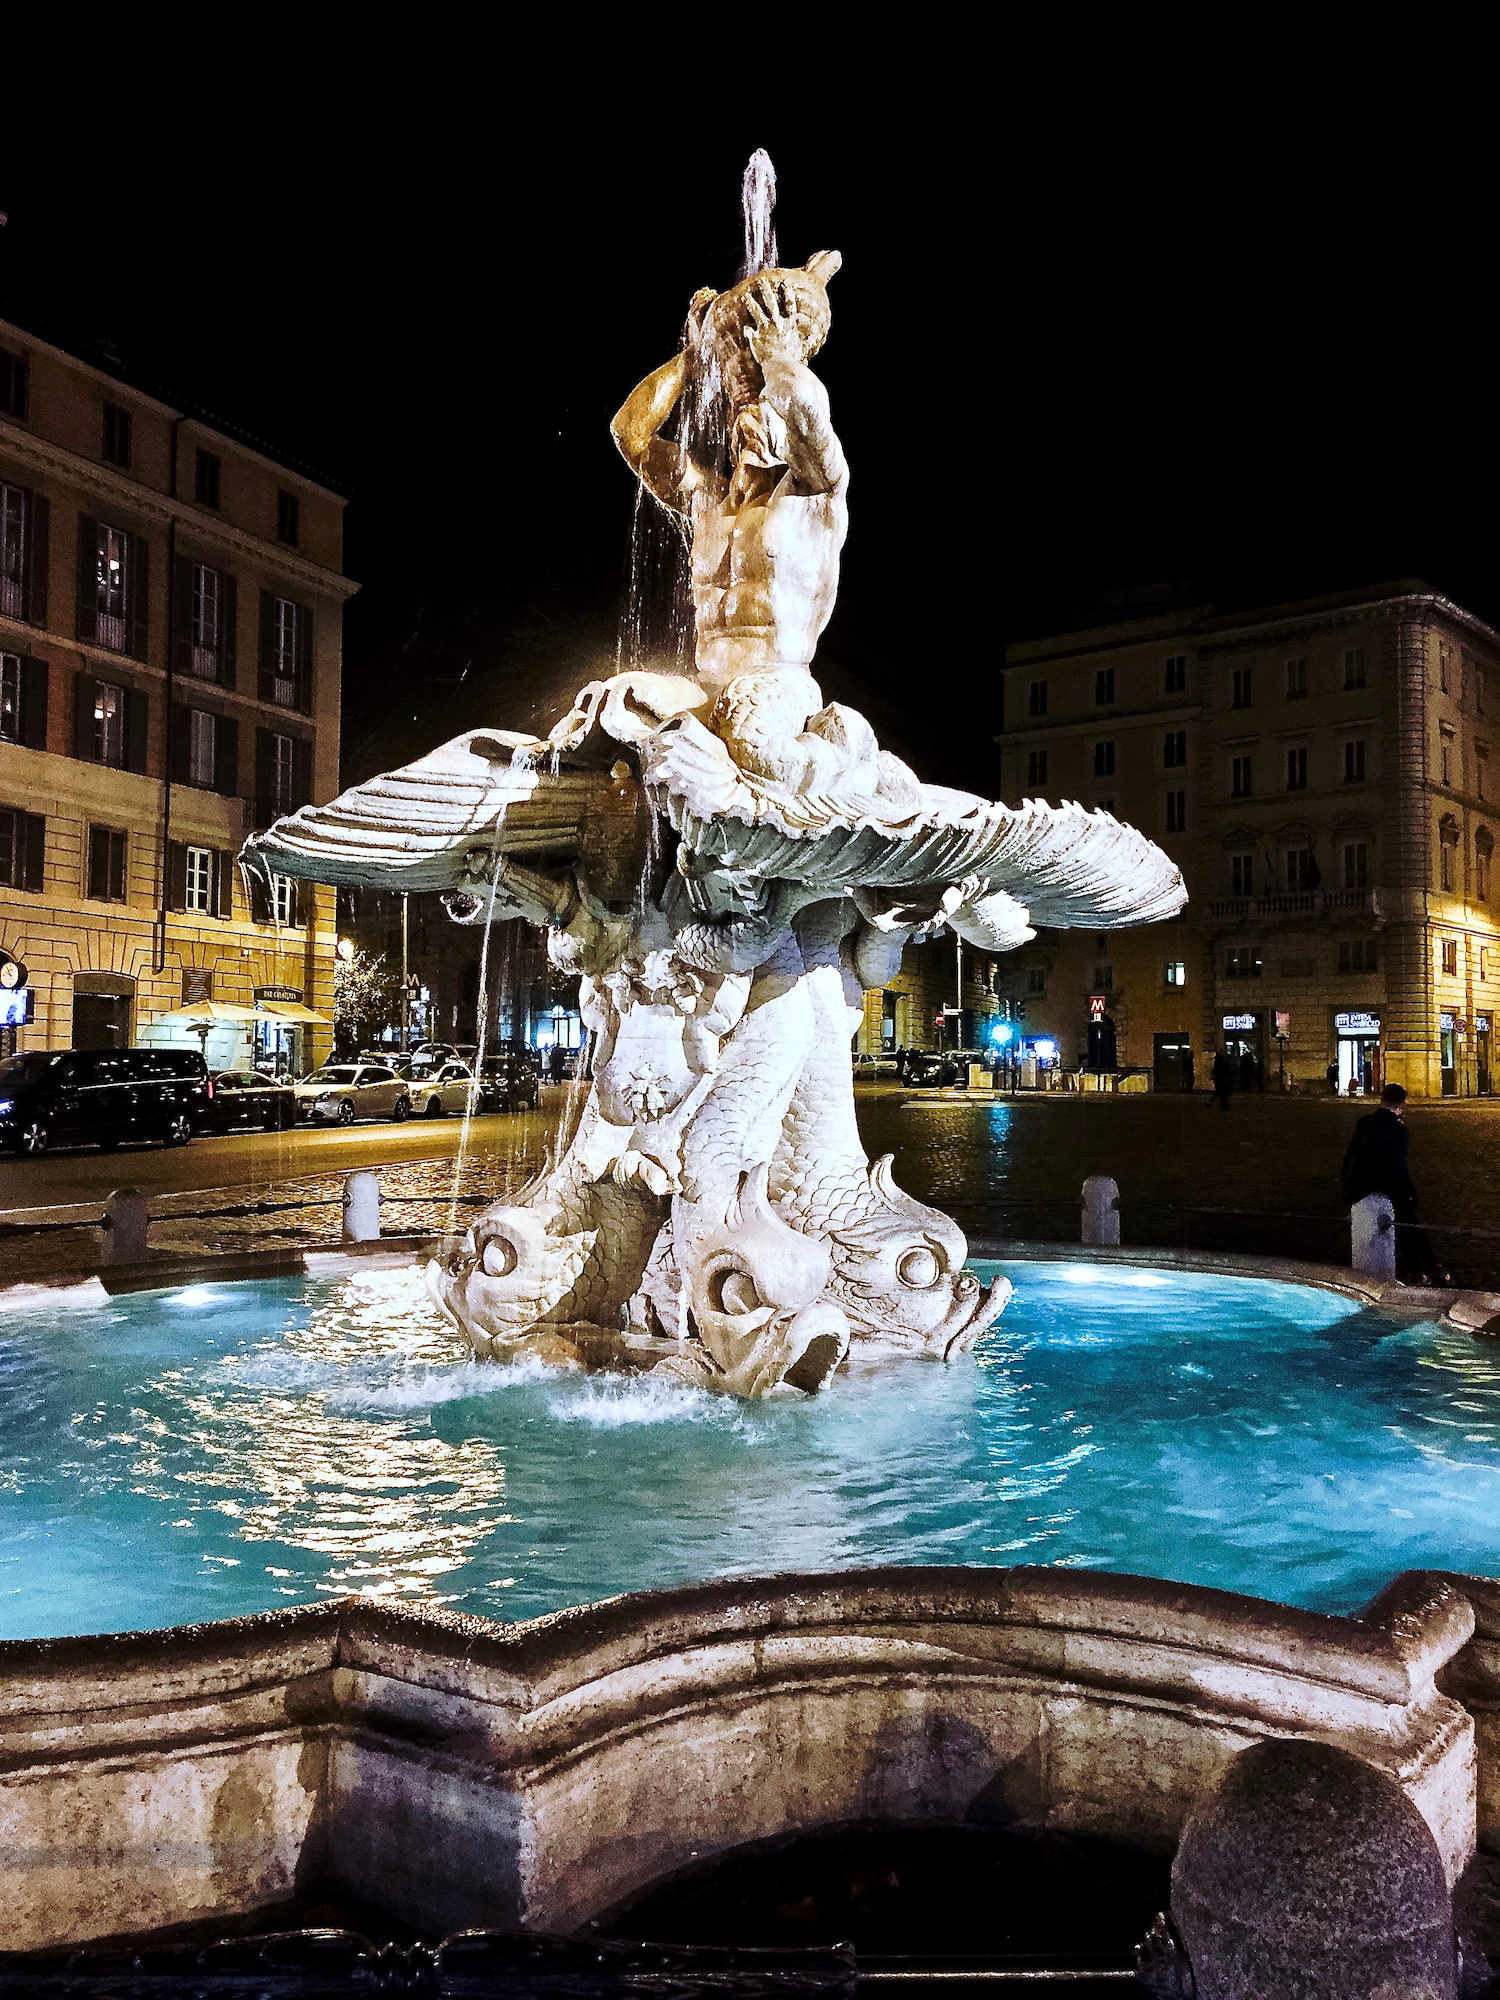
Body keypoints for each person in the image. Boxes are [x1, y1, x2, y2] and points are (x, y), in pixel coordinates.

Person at [1339, 1083, 1448, 1283]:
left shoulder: (1364, 1122)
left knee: (1404, 1223)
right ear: (1402, 1104)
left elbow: (1352, 1156)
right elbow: (1397, 1165)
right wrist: (1409, 1191)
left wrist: (1347, 1186)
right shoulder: (1398, 1130)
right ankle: (1426, 1268)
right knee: (1408, 1222)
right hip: (1388, 1185)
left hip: (1363, 1186)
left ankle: (1424, 1268)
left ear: (1382, 1100)